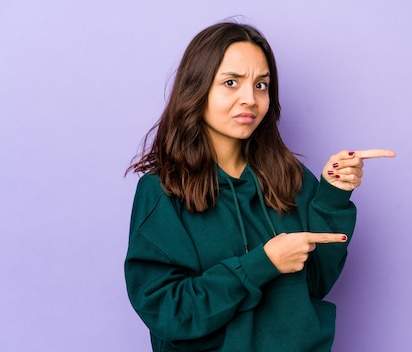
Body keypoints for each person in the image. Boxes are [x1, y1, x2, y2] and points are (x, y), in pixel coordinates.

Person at [124, 21, 395, 352]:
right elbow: (170, 312)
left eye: (261, 85)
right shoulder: (163, 190)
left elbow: (315, 284)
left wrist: (332, 196)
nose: (250, 99)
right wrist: (264, 262)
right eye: (231, 82)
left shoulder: (288, 175)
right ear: (197, 88)